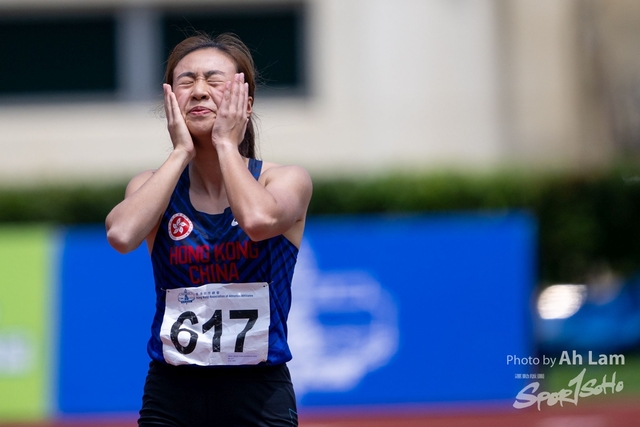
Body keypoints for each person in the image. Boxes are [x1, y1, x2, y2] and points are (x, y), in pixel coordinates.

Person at [105, 32, 312, 427]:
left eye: (214, 80)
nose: (199, 91)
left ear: (245, 102)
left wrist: (225, 145)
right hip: (172, 392)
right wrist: (180, 152)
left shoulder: (285, 180)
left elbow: (257, 221)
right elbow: (121, 235)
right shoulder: (152, 187)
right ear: (170, 100)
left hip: (259, 391)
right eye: (186, 81)